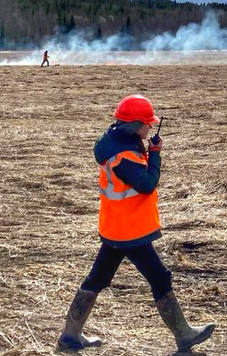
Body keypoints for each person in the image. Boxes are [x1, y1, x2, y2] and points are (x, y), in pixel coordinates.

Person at [57, 95, 215, 352]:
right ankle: (184, 335)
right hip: (129, 229)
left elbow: (128, 158)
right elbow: (147, 184)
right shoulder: (125, 156)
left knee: (97, 279)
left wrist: (144, 147)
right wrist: (155, 154)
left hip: (115, 224)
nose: (151, 127)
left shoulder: (112, 139)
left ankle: (70, 336)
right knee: (160, 277)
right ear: (135, 124)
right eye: (147, 123)